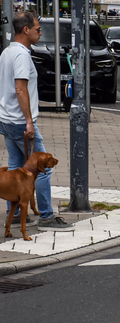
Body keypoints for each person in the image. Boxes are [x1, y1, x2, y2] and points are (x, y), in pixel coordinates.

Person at [0, 12, 73, 231]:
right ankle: (47, 217)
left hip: (6, 118)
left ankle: (13, 215)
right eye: (38, 29)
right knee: (41, 169)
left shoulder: (6, 52)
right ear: (26, 30)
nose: (40, 33)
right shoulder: (21, 55)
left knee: (16, 167)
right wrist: (29, 122)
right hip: (20, 121)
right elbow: (20, 89)